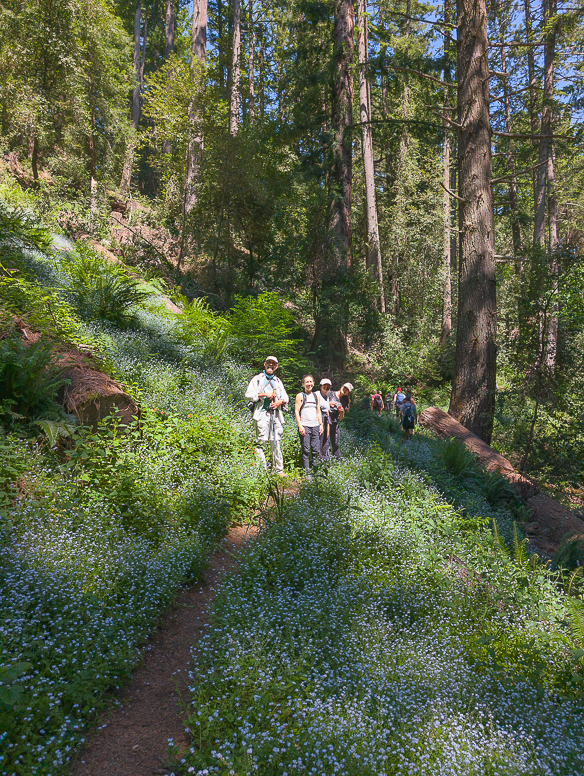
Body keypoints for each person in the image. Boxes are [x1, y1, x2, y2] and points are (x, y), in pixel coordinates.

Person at [245, 356, 289, 475]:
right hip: (262, 414)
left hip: (275, 415)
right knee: (260, 442)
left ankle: (278, 471)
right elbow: (248, 394)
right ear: (265, 364)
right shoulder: (257, 379)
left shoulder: (278, 381)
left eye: (273, 363)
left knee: (276, 442)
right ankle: (262, 470)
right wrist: (264, 394)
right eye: (269, 363)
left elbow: (286, 397)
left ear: (276, 366)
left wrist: (279, 402)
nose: (270, 365)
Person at [295, 374, 323, 474]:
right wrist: (300, 426)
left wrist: (321, 424)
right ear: (303, 384)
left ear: (314, 383)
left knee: (315, 450)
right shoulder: (300, 396)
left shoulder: (316, 396)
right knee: (306, 450)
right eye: (307, 382)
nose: (309, 384)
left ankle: (315, 472)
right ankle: (306, 472)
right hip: (305, 426)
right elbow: (297, 411)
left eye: (311, 382)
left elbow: (318, 411)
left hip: (315, 426)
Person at [326, 382, 352, 462]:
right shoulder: (329, 393)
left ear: (348, 393)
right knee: (326, 443)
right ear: (342, 386)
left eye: (347, 390)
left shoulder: (345, 400)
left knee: (336, 444)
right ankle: (326, 462)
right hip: (326, 422)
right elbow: (320, 404)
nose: (345, 390)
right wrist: (329, 404)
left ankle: (338, 463)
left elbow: (341, 419)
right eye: (344, 387)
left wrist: (342, 412)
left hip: (335, 423)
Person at [318, 378, 332, 460]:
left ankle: (324, 460)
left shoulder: (327, 396)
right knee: (319, 441)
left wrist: (327, 426)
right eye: (324, 385)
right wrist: (321, 424)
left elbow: (327, 412)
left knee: (325, 440)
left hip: (326, 419)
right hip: (319, 419)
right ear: (320, 386)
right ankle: (318, 460)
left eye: (328, 386)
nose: (326, 387)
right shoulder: (316, 394)